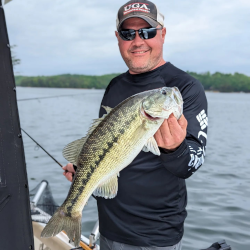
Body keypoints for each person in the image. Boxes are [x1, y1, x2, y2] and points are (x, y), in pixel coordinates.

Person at [63, 1, 208, 249]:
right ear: (118, 38)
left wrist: (175, 149)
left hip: (154, 237)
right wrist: (82, 165)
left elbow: (192, 162)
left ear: (163, 34)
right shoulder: (115, 85)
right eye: (128, 33)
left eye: (148, 32)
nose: (138, 40)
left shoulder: (185, 87)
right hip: (108, 228)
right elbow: (104, 142)